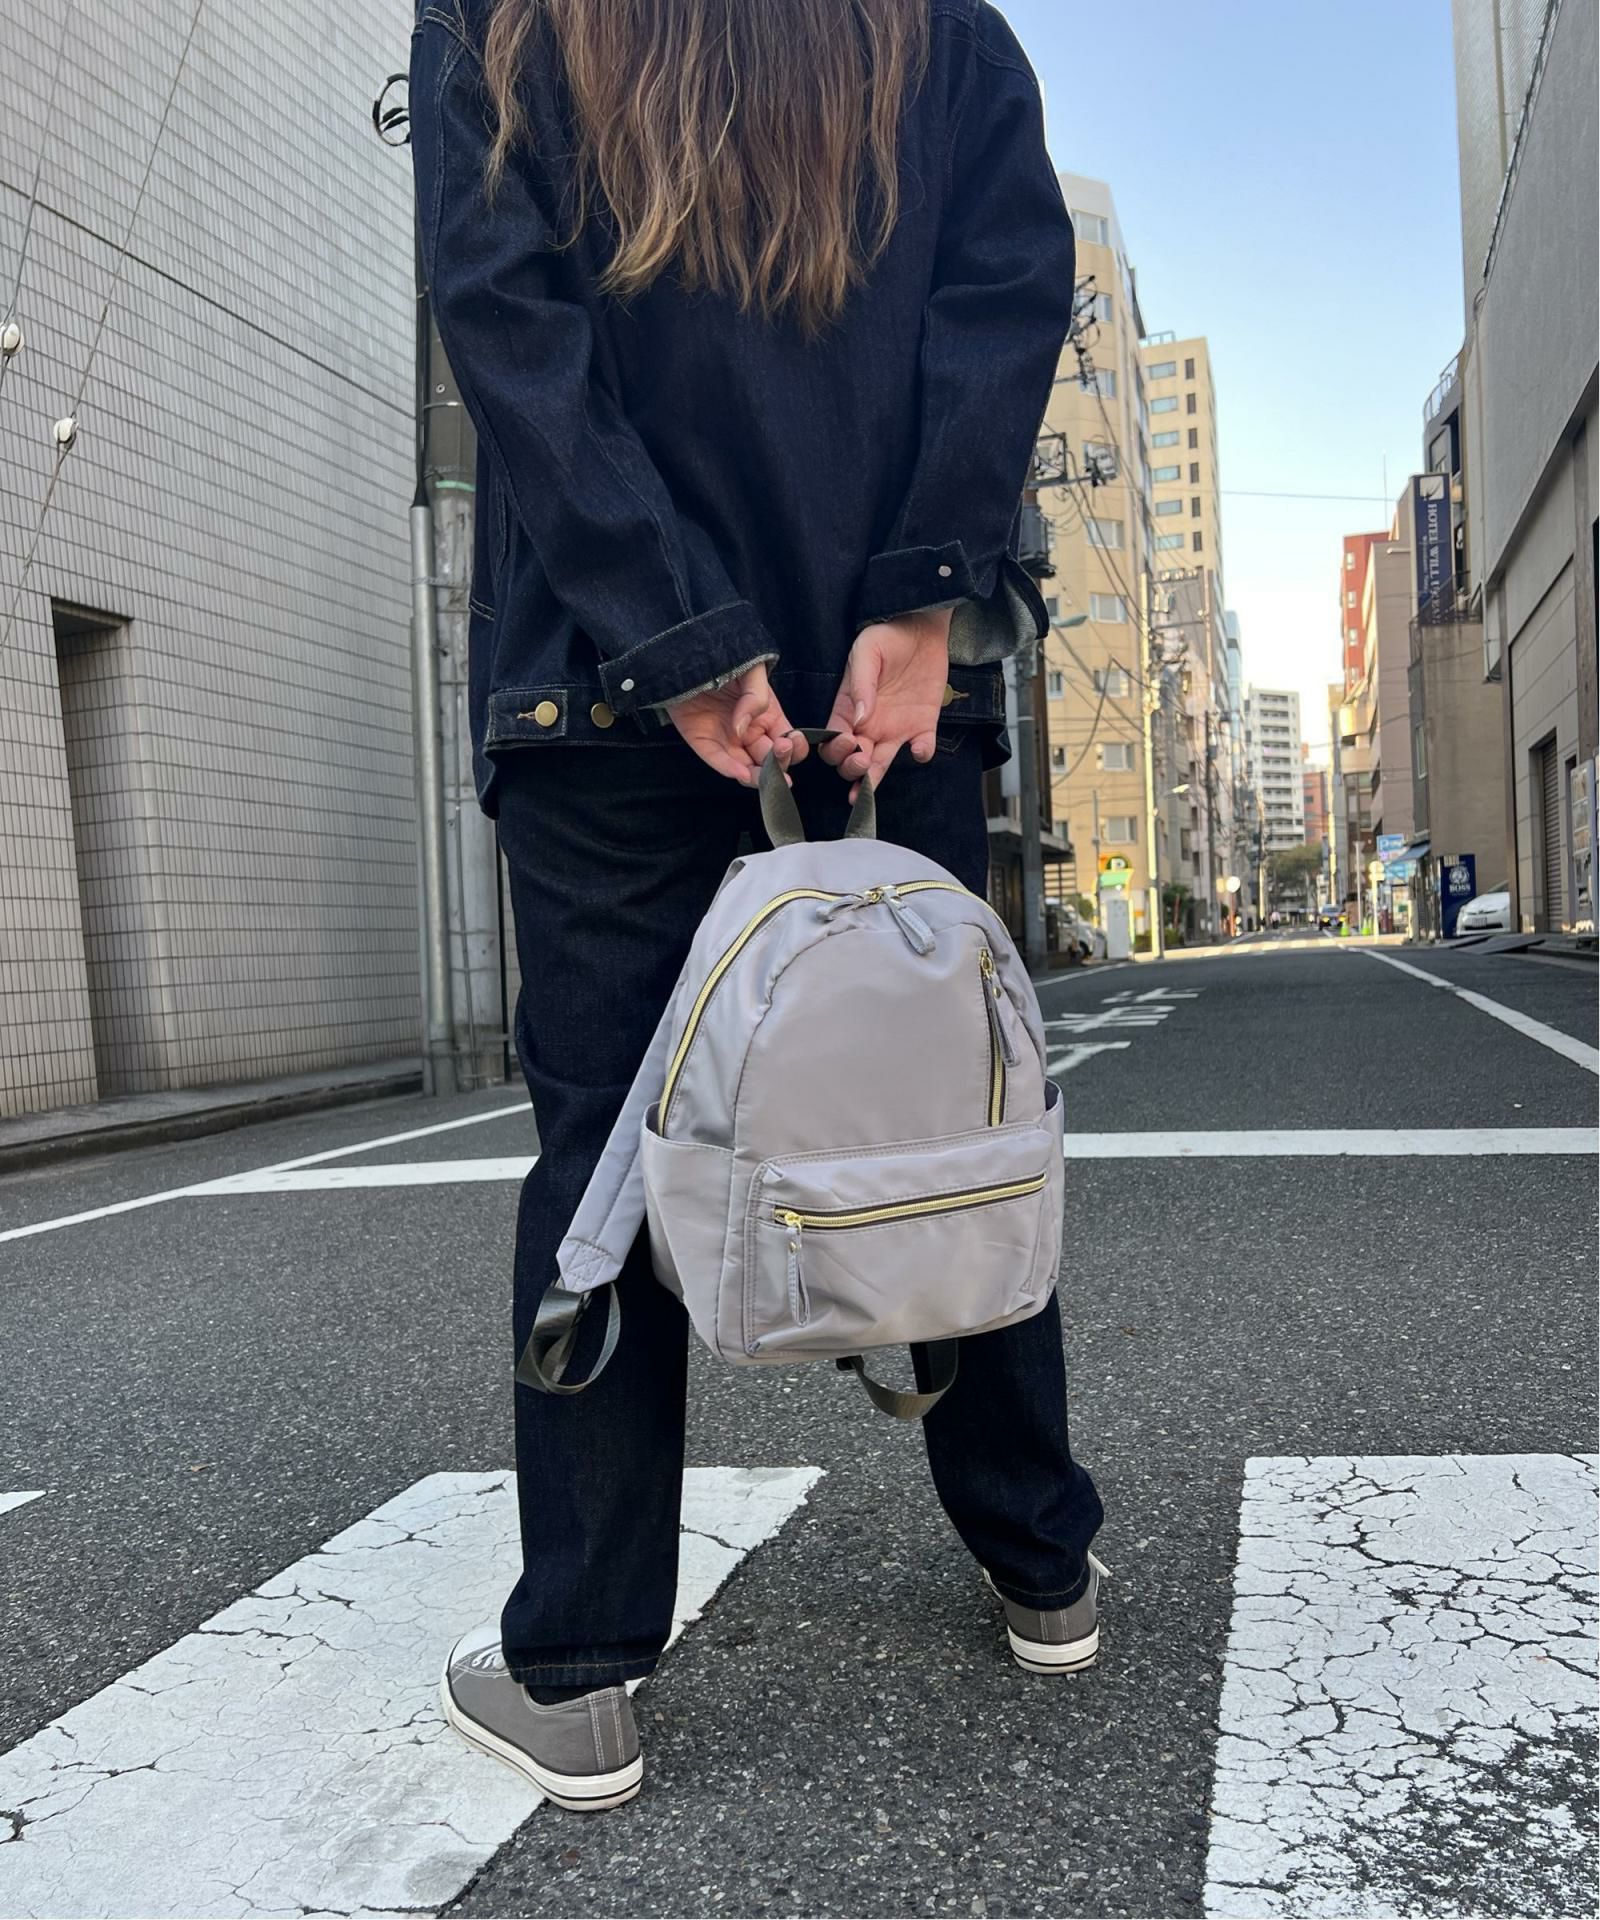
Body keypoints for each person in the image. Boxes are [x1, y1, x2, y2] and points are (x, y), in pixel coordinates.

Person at [410, 0, 1104, 1812]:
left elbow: (507, 316)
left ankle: (580, 1666)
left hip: (604, 684)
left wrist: (672, 630)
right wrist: (925, 596)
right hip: (885, 681)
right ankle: (1041, 1560)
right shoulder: (937, 28)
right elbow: (1004, 288)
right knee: (938, 1104)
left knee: (604, 1147)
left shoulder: (499, 18)